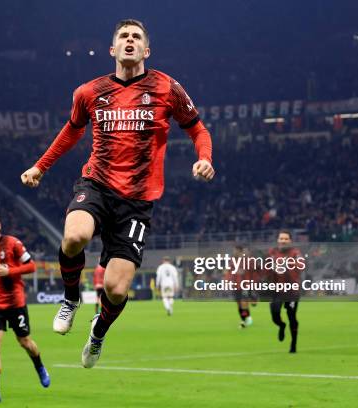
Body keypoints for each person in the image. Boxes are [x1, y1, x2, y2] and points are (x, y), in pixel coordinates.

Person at [21, 19, 214, 368]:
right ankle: (70, 299)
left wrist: (205, 158)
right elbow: (71, 132)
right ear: (112, 49)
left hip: (137, 201)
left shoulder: (167, 88)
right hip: (96, 183)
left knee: (115, 289)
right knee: (75, 235)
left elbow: (197, 128)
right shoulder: (89, 92)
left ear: (146, 50)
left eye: (136, 37)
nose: (129, 40)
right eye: (123, 36)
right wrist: (40, 166)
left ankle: (98, 333)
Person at [0, 212, 50, 403]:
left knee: (25, 342)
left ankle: (39, 365)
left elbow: (31, 267)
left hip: (15, 303)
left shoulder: (13, 243)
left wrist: (10, 271)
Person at [268, 230, 302, 353]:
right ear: (278, 240)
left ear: (290, 241)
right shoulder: (272, 252)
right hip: (277, 291)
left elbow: (300, 266)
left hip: (292, 291)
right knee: (275, 315)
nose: (283, 241)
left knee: (291, 316)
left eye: (286, 239)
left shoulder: (295, 253)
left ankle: (293, 344)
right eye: (281, 238)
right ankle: (281, 325)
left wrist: (288, 264)